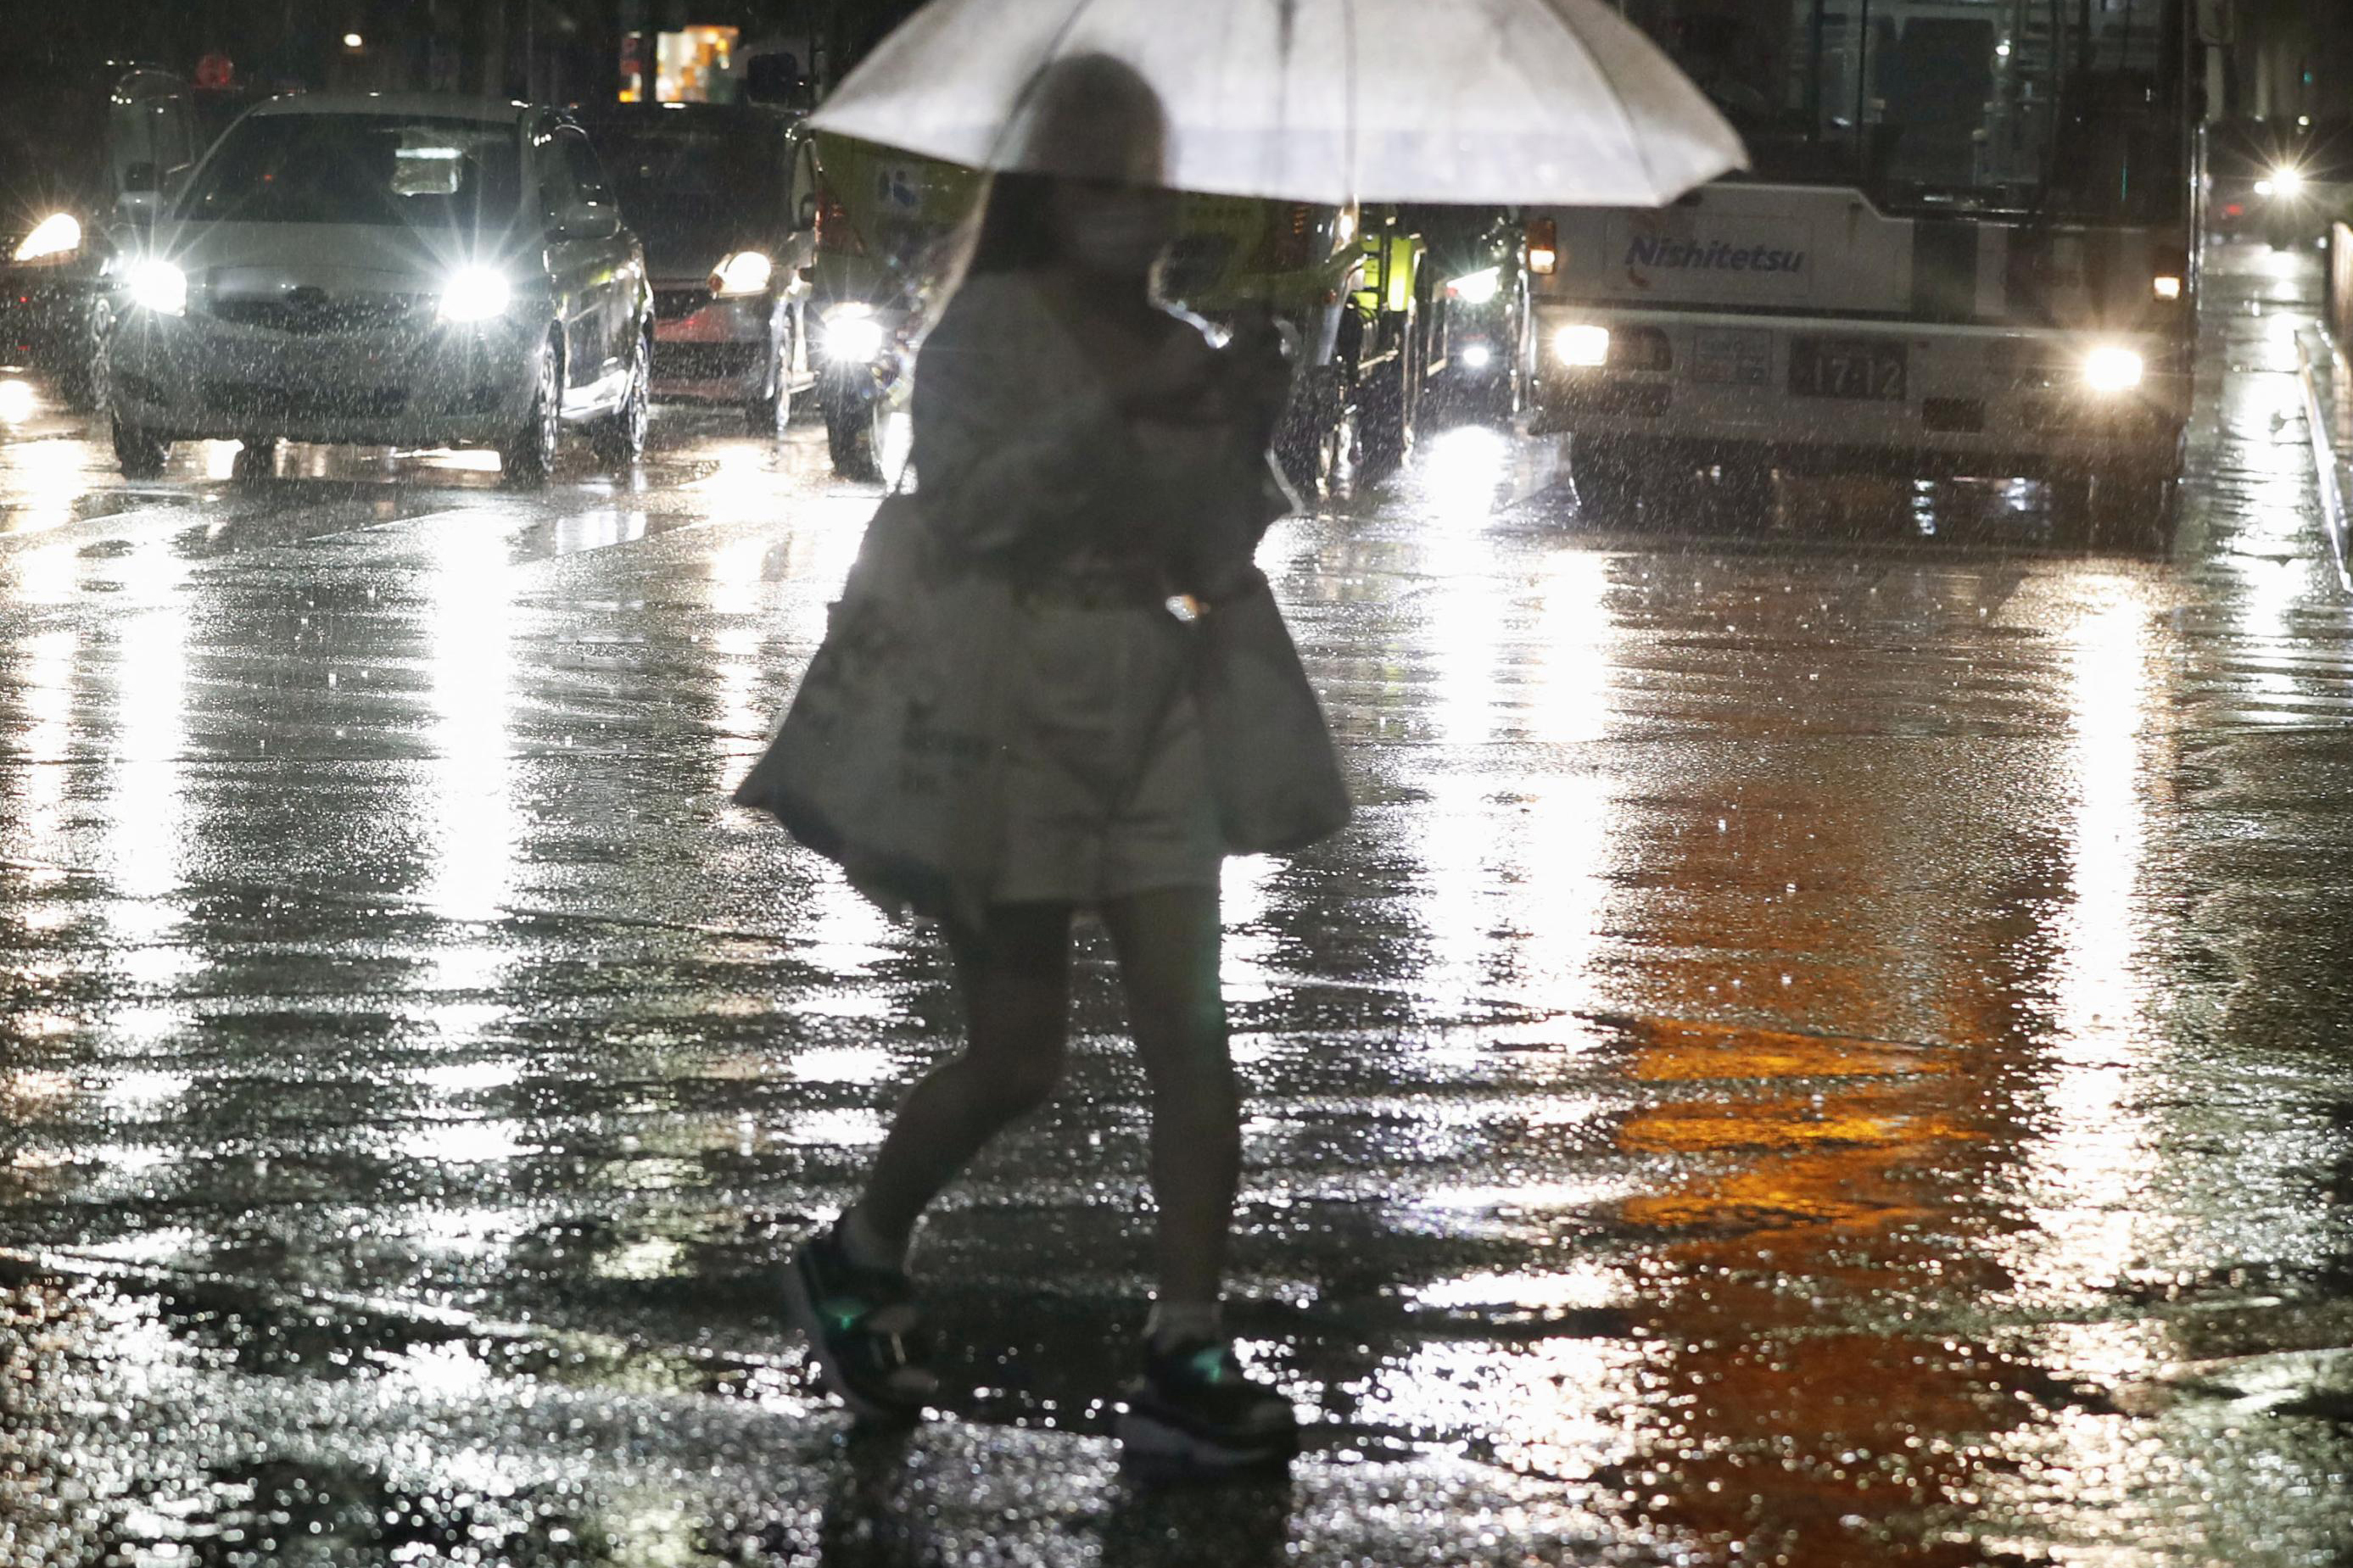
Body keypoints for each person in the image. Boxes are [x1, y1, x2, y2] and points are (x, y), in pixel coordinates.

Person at [779, 54, 1311, 1475]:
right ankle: (859, 1249)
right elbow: (970, 512)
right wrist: (1103, 419)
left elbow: (1211, 559)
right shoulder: (980, 337)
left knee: (1191, 1039)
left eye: (1146, 178)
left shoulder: (1192, 349)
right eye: (1094, 179)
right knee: (1018, 1057)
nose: (1129, 208)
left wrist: (1241, 414)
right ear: (1038, 191)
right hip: (1004, 720)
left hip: (1157, 721)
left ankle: (1184, 1341)